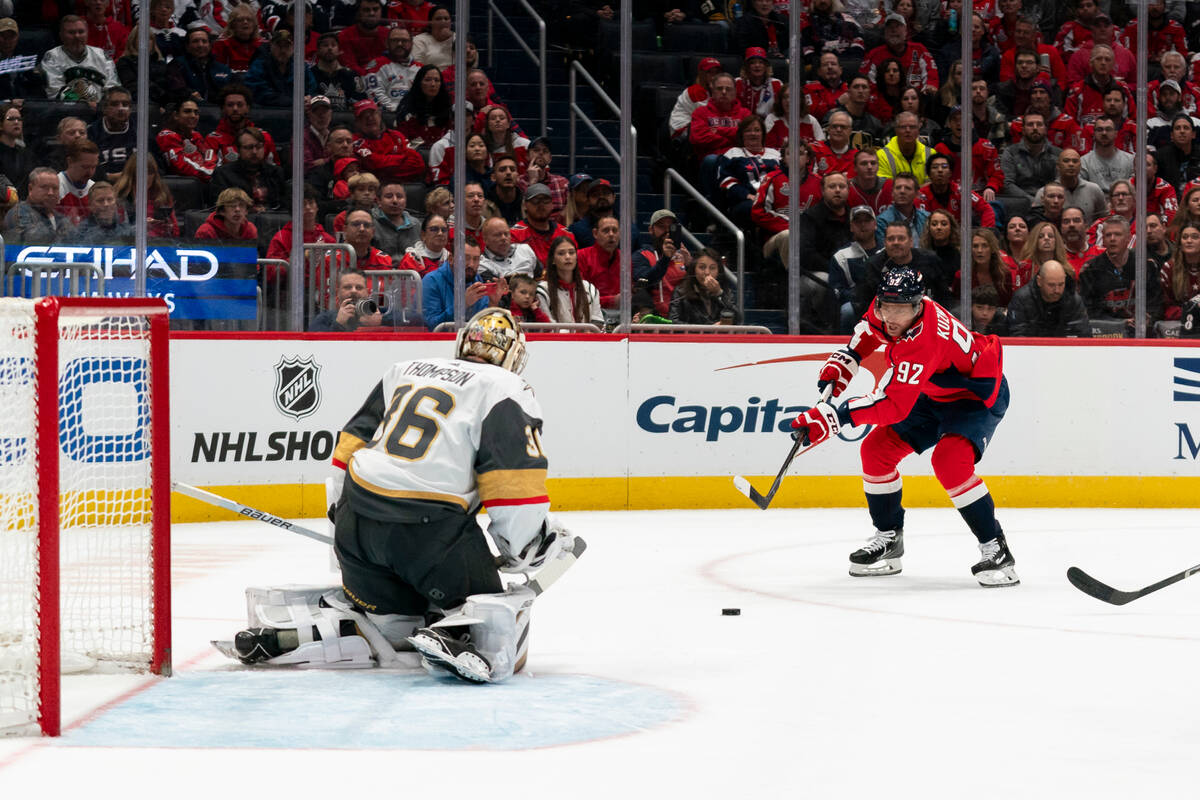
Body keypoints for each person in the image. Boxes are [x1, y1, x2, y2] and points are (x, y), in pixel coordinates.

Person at [791, 264, 1016, 586]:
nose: (892, 318)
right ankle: (888, 539)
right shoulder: (886, 308)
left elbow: (893, 406)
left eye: (903, 309)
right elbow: (867, 333)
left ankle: (997, 549)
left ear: (919, 305)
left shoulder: (925, 338)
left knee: (950, 462)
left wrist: (836, 418)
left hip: (973, 399)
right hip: (932, 391)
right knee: (876, 450)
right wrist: (847, 360)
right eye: (887, 307)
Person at [1079, 215, 1164, 331]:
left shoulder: (1145, 265)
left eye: (1118, 234)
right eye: (1108, 235)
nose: (1112, 239)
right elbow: (1091, 312)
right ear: (1103, 239)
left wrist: (1148, 318)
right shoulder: (1091, 270)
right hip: (1106, 334)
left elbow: (1156, 304)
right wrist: (1119, 324)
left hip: (1142, 332)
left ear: (1128, 238)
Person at [41, 14, 119, 103]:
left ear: (87, 33)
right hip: (66, 111)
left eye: (81, 32)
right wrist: (84, 101)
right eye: (71, 32)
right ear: (61, 35)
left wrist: (100, 106)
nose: (77, 36)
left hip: (100, 110)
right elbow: (54, 92)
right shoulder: (52, 56)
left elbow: (114, 89)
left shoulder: (101, 55)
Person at [999, 111, 1062, 219]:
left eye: (1039, 124)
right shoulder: (1011, 152)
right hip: (1020, 204)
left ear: (1046, 129)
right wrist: (1032, 200)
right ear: (1023, 130)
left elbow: (1060, 181)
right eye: (1030, 124)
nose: (1035, 128)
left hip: (1051, 203)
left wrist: (1046, 200)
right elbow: (1007, 183)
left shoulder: (1057, 154)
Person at [421, 240, 496, 329]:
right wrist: (463, 304)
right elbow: (431, 325)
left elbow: (483, 323)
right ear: (451, 259)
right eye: (466, 258)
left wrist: (493, 303)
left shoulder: (476, 279)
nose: (471, 264)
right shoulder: (431, 281)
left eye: (476, 259)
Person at [210, 127, 288, 211]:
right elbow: (220, 208)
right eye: (248, 147)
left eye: (258, 147)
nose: (254, 151)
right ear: (238, 150)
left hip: (272, 221)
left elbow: (283, 206)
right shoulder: (223, 174)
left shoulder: (275, 172)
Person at [1006, 259, 1091, 337]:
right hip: (1032, 350)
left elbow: (1083, 334)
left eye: (1061, 284)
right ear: (1039, 281)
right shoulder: (1022, 299)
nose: (1057, 290)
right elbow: (1017, 335)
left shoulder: (1073, 300)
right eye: (1051, 285)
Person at [351, 98, 426, 184]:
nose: (370, 118)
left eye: (372, 113)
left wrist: (382, 170)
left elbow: (417, 164)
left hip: (403, 188)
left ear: (379, 115)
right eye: (363, 116)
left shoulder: (396, 135)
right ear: (357, 122)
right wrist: (402, 159)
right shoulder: (355, 140)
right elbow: (373, 163)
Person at [206, 84, 280, 168]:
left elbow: (274, 171)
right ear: (223, 109)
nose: (235, 109)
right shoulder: (213, 139)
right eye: (230, 105)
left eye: (240, 105)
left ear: (248, 108)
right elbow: (210, 171)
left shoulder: (264, 137)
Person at [537, 236, 604, 327]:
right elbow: (547, 327)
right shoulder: (543, 290)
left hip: (587, 340)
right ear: (553, 260)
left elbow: (598, 322)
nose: (568, 257)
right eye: (561, 253)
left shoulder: (590, 288)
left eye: (571, 253)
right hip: (557, 341)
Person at [245, 29, 319, 108]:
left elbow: (312, 89)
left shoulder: (301, 67)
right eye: (279, 46)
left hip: (297, 111)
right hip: (267, 113)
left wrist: (309, 98)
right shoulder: (259, 65)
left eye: (287, 46)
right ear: (271, 46)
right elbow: (259, 93)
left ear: (293, 47)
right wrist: (294, 102)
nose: (283, 50)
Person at [668, 247, 739, 326]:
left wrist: (719, 293)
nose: (707, 272)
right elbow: (673, 322)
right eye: (702, 267)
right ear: (694, 269)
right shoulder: (681, 291)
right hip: (691, 338)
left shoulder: (724, 291)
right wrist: (708, 330)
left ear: (719, 271)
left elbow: (738, 320)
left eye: (712, 268)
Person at [166, 24, 233, 105]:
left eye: (204, 41)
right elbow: (177, 90)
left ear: (210, 45)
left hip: (219, 110)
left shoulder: (222, 68)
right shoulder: (177, 64)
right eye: (195, 41)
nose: (200, 45)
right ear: (187, 46)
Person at [510, 183, 575, 267]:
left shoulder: (566, 234)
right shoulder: (515, 234)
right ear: (525, 205)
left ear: (552, 205)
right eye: (535, 201)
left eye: (545, 201)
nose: (541, 205)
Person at [113, 156, 179, 238]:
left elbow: (176, 231)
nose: (146, 177)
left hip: (160, 243)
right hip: (128, 244)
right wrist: (139, 228)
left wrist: (165, 226)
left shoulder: (162, 195)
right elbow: (114, 232)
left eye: (150, 172)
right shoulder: (120, 195)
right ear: (132, 174)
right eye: (142, 172)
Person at [307, 268, 391, 330]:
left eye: (359, 287)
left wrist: (381, 320)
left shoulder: (379, 313)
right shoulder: (324, 319)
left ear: (367, 292)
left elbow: (403, 318)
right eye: (347, 287)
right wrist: (338, 324)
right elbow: (318, 346)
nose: (354, 291)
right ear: (338, 292)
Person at [4, 168, 73, 243]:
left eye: (55, 188)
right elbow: (34, 240)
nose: (51, 193)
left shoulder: (60, 217)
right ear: (30, 189)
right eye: (45, 188)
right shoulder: (19, 212)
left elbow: (76, 240)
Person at [157, 99, 217, 182]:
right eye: (187, 111)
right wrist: (210, 172)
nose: (193, 116)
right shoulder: (166, 136)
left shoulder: (196, 135)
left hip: (205, 177)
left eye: (196, 112)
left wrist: (210, 169)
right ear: (176, 115)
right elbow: (182, 167)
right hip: (185, 185)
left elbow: (209, 153)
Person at [394, 64, 451, 147]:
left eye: (437, 80)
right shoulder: (407, 106)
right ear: (419, 82)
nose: (432, 84)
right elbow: (402, 140)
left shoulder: (447, 105)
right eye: (428, 80)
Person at [87, 86, 135, 184]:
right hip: (101, 187)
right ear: (104, 108)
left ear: (130, 109)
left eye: (125, 104)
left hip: (136, 186)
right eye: (114, 104)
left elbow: (156, 167)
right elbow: (86, 169)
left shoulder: (142, 131)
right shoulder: (91, 133)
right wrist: (108, 177)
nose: (121, 108)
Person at [518, 137, 570, 224]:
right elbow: (523, 211)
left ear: (550, 158)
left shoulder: (562, 183)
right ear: (527, 156)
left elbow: (570, 212)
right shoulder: (519, 182)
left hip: (558, 231)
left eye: (545, 151)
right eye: (536, 150)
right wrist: (532, 182)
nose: (541, 153)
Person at [311, 32, 366, 111]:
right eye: (325, 45)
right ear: (318, 51)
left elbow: (361, 101)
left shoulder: (351, 75)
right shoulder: (310, 74)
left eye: (333, 45)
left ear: (339, 51)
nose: (330, 48)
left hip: (345, 120)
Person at [1078, 116, 1134, 194]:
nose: (1104, 133)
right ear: (1094, 134)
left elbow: (1132, 190)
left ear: (1116, 134)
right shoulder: (1084, 162)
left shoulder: (1130, 160)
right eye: (1100, 130)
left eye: (1108, 129)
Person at [577, 214, 621, 309]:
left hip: (621, 314)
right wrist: (611, 301)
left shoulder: (625, 258)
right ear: (595, 233)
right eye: (606, 230)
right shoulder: (582, 256)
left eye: (615, 230)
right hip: (590, 312)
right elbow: (580, 296)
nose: (611, 234)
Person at [874, 172, 929, 247]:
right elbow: (885, 253)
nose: (902, 191)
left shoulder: (927, 218)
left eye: (907, 188)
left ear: (917, 194)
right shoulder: (882, 222)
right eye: (898, 188)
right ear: (892, 192)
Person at [337, 0, 389, 76]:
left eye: (375, 9)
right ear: (358, 13)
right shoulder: (345, 36)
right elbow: (349, 67)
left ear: (381, 11)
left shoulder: (389, 34)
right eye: (366, 10)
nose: (372, 13)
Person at [72, 180, 133, 245]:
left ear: (116, 203)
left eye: (110, 199)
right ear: (90, 205)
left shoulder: (126, 230)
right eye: (100, 200)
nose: (106, 204)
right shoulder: (81, 233)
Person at [478, 216, 538, 281]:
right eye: (497, 235)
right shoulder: (482, 265)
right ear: (485, 239)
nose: (504, 238)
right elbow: (497, 288)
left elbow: (540, 276)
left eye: (506, 234)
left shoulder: (525, 250)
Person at [56, 140, 99, 225]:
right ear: (70, 162)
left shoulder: (93, 187)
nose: (90, 172)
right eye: (85, 167)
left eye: (93, 167)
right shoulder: (55, 186)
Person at [1163, 223, 1200, 320]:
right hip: (1179, 323)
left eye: (1195, 237)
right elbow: (1164, 306)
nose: (1189, 241)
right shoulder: (1169, 268)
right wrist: (1188, 312)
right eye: (1185, 237)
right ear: (1179, 243)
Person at [211, 4, 264, 73]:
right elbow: (218, 73)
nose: (245, 22)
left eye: (249, 19)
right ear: (232, 24)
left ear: (254, 24)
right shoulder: (222, 45)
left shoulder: (263, 45)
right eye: (240, 20)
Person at [1018, 221, 1070, 290]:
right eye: (1041, 236)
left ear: (1056, 241)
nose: (1046, 238)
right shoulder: (1024, 267)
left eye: (1050, 236)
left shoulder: (1066, 268)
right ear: (1035, 241)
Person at [567, 178, 616, 249]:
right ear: (588, 200)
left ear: (614, 197)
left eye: (606, 193)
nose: (601, 197)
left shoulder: (628, 228)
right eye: (595, 195)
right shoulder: (576, 230)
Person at [735, 47, 783, 118]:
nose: (757, 65)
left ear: (766, 66)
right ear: (747, 67)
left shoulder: (776, 84)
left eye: (761, 62)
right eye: (752, 63)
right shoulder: (737, 83)